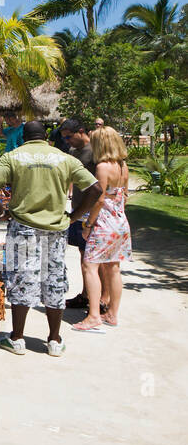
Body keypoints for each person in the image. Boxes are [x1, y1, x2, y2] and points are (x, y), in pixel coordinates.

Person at [0, 119, 101, 356]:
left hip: (23, 227)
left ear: (24, 137)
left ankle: (17, 338)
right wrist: (75, 215)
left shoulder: (13, 156)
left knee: (21, 279)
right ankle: (54, 340)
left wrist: (1, 212)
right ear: (46, 136)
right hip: (56, 230)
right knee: (54, 279)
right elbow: (96, 189)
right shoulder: (64, 158)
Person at [73, 126, 131, 333]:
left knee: (90, 266)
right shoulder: (123, 166)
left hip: (104, 223)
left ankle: (94, 315)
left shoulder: (103, 167)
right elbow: (121, 195)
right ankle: (113, 313)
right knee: (113, 267)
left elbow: (98, 199)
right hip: (120, 222)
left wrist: (88, 225)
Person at [58, 117, 102, 315]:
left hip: (92, 211)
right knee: (83, 255)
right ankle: (86, 295)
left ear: (81, 131)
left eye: (69, 137)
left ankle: (100, 300)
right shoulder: (73, 151)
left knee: (94, 260)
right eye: (65, 139)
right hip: (78, 209)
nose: (67, 142)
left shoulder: (95, 151)